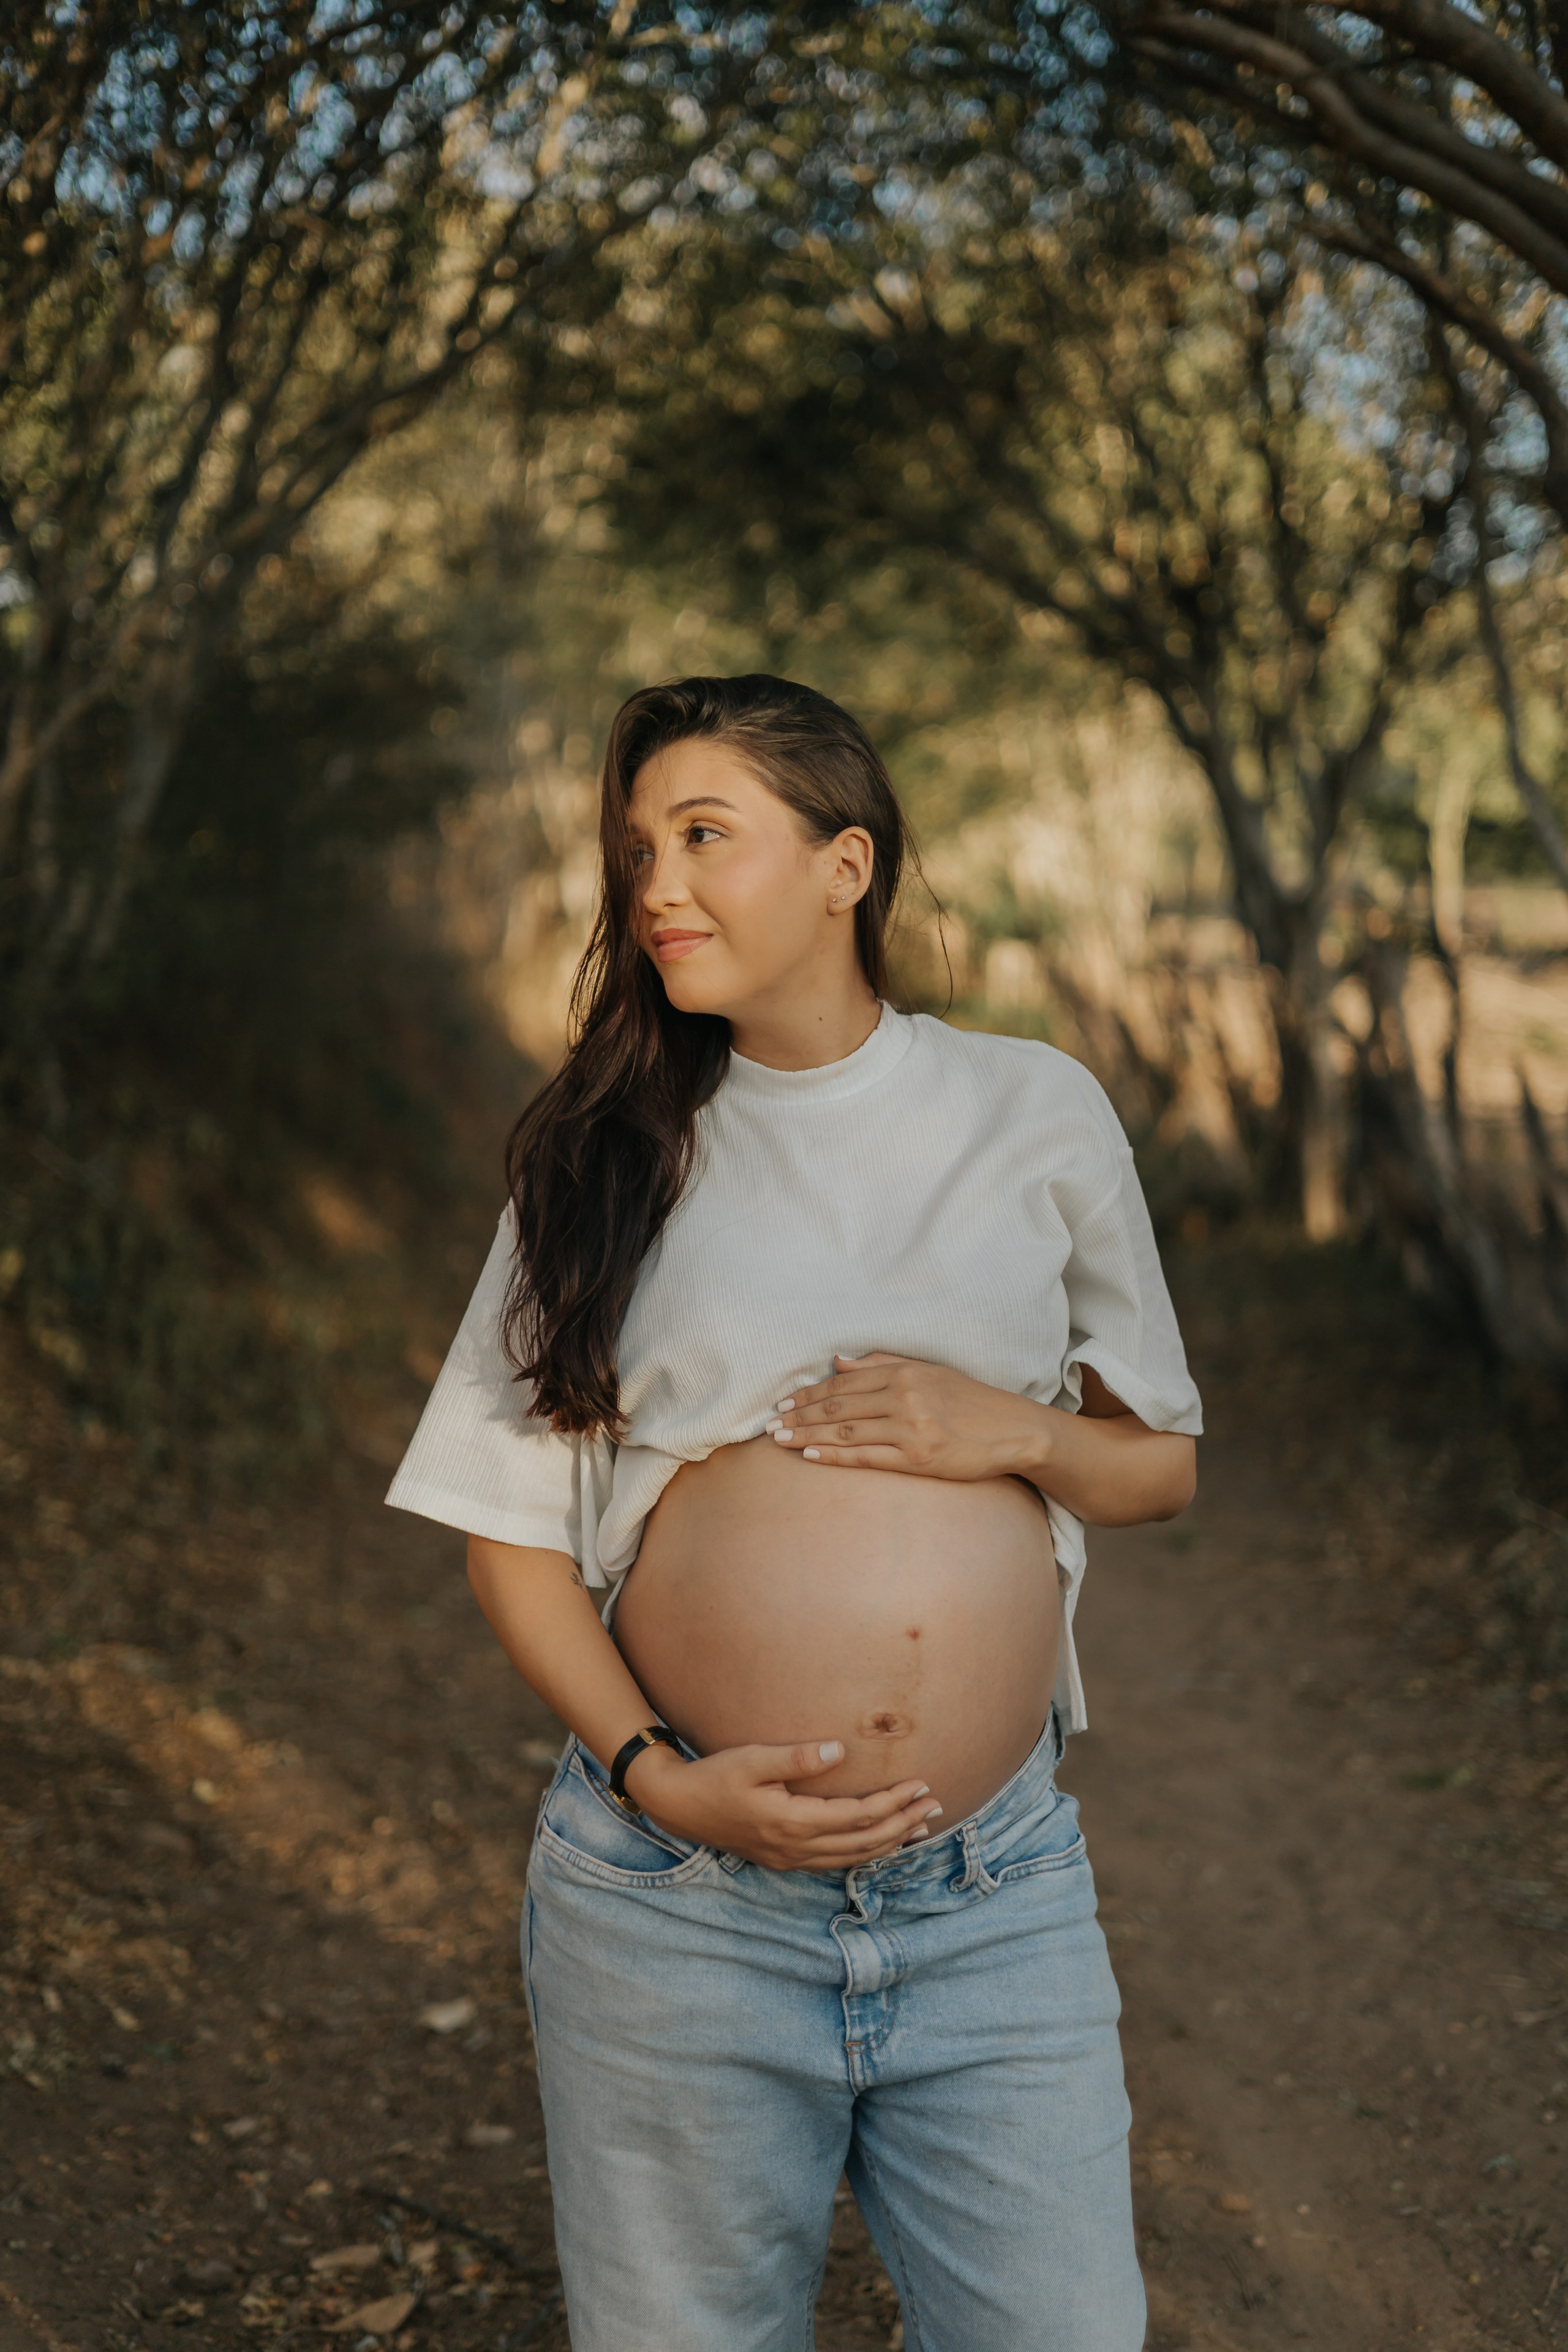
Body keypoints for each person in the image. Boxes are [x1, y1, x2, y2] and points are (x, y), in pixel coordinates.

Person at [386, 673, 1201, 2352]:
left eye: (704, 837)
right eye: (637, 851)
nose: (654, 888)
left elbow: (1159, 1464)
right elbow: (511, 1531)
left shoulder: (1030, 1107)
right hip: (674, 1905)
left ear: (847, 865)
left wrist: (1006, 1432)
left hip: (994, 1897)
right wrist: (662, 1779)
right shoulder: (606, 1158)